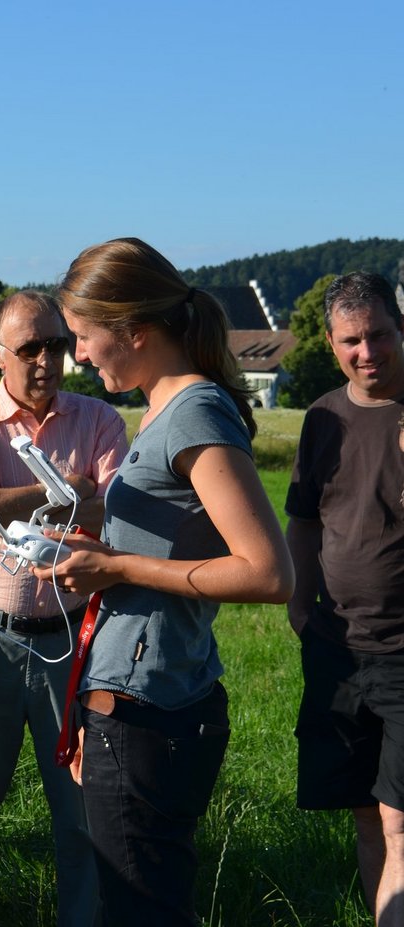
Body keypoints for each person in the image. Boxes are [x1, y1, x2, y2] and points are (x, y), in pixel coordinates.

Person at [37, 238, 293, 926]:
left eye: (85, 338)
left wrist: (115, 566)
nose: (78, 357)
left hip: (152, 715)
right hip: (135, 702)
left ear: (136, 331)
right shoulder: (163, 408)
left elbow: (268, 571)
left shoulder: (192, 413)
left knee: (142, 909)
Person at [0, 290, 127, 927]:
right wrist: (70, 494)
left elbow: (120, 509)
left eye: (58, 344)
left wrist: (17, 500)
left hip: (75, 642)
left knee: (83, 818)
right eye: (30, 348)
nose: (47, 359)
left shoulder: (99, 419)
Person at [285, 272, 404, 925]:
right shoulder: (324, 416)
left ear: (400, 328)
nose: (368, 352)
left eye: (379, 335)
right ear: (331, 343)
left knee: (399, 819)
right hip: (337, 650)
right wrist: (301, 602)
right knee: (365, 815)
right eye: (352, 340)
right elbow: (303, 518)